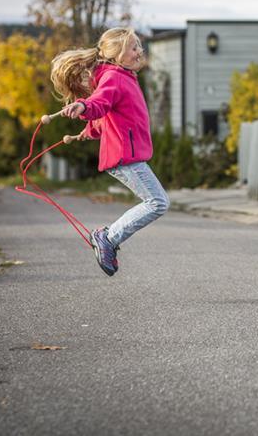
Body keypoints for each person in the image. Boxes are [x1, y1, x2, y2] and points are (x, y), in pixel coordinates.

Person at [51, 27, 170, 276]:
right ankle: (108, 237)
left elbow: (107, 115)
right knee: (157, 202)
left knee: (157, 202)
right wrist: (84, 106)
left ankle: (108, 237)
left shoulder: (123, 77)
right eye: (134, 47)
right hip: (125, 156)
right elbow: (100, 102)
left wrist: (87, 131)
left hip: (128, 155)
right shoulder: (114, 77)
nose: (140, 51)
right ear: (116, 55)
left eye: (139, 45)